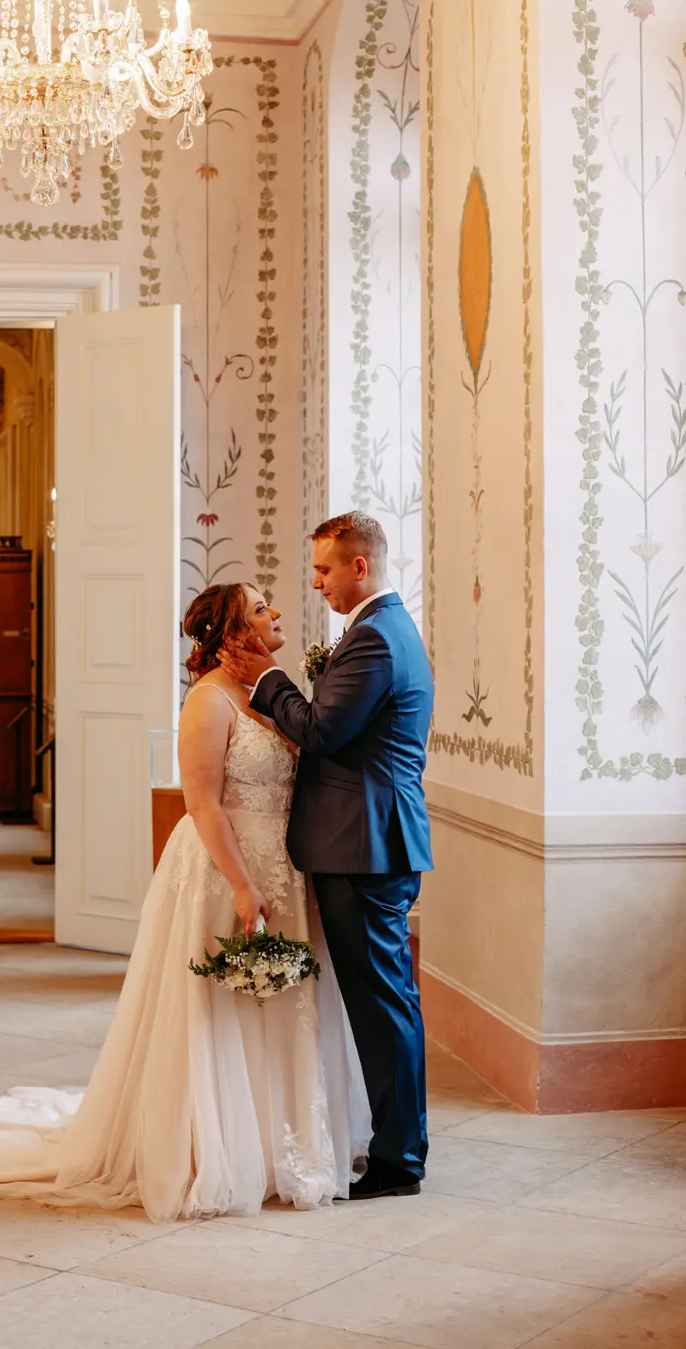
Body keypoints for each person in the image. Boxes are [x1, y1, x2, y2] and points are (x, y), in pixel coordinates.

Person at [0, 582, 370, 1221]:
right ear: (231, 632)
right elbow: (203, 803)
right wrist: (244, 884)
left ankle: (286, 1148)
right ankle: (210, 1148)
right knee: (221, 1008)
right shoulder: (209, 701)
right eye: (259, 607)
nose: (275, 611)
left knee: (284, 1007)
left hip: (285, 868)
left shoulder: (272, 694)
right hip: (226, 869)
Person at [220, 513, 434, 1201]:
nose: (315, 584)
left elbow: (321, 730)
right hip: (365, 839)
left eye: (323, 570)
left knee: (383, 1006)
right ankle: (396, 1143)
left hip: (365, 845)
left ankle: (401, 1161)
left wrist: (271, 679)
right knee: (382, 1002)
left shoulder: (375, 639)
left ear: (359, 567)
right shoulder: (380, 630)